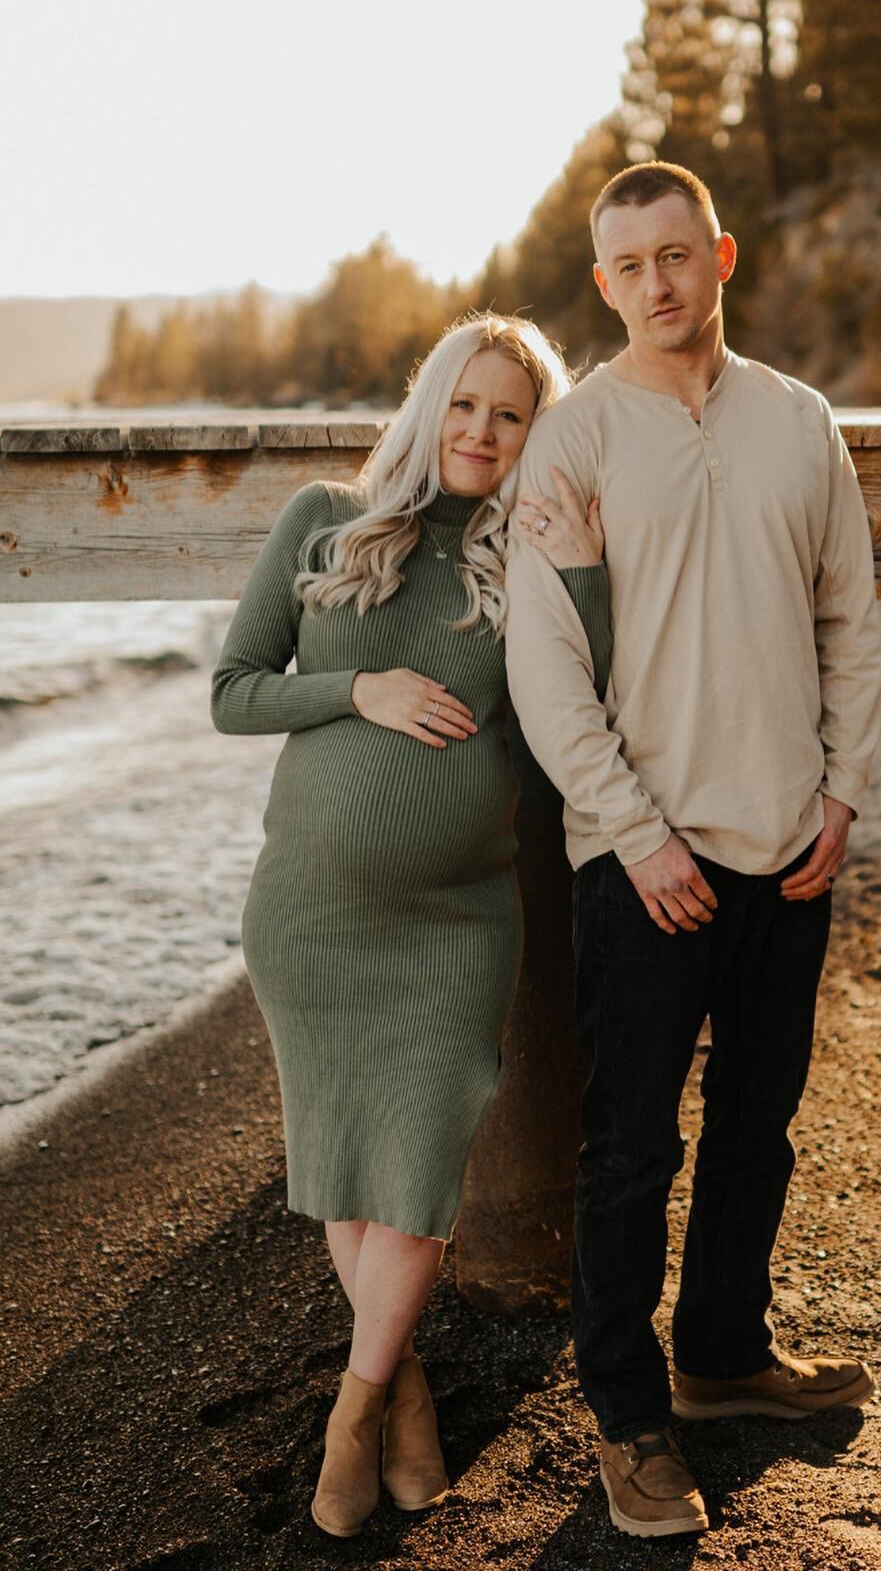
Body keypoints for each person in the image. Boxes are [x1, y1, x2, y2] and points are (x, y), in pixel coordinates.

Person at [505, 162, 881, 1539]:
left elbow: (848, 617)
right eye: (630, 263)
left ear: (721, 253)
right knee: (628, 1149)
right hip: (641, 855)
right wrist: (633, 833)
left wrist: (843, 791)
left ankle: (722, 1355)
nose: (659, 281)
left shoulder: (800, 420)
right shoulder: (577, 440)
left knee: (757, 1127)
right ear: (603, 283)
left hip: (793, 842)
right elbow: (547, 669)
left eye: (679, 251)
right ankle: (627, 1413)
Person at [210, 312, 608, 1540]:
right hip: (315, 917)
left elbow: (583, 696)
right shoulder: (324, 520)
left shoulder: (525, 559)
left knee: (422, 1166)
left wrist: (582, 565)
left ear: (532, 433)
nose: (483, 433)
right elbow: (234, 694)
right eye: (467, 404)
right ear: (431, 403)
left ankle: (352, 1408)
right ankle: (404, 1390)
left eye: (512, 413)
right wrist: (361, 689)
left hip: (455, 922)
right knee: (349, 1161)